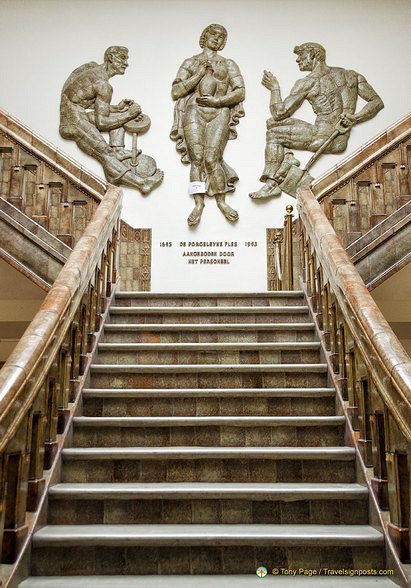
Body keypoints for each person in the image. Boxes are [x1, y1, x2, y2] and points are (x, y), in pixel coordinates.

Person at [250, 42, 384, 199]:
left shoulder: (308, 82)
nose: (297, 60)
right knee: (272, 124)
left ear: (312, 55)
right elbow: (376, 101)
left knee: (273, 134)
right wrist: (355, 118)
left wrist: (274, 88)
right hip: (339, 138)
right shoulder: (350, 75)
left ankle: (272, 183)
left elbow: (279, 112)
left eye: (300, 55)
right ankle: (287, 160)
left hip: (324, 136)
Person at [60, 46, 163, 193]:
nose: (126, 63)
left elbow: (80, 98)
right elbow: (102, 122)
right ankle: (142, 184)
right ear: (110, 57)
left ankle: (117, 154)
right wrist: (129, 115)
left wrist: (118, 109)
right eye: (122, 58)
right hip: (72, 122)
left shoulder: (92, 68)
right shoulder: (104, 85)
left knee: (118, 119)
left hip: (77, 113)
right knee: (105, 154)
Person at [170, 24, 245, 226]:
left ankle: (222, 202)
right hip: (194, 110)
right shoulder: (191, 62)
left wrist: (218, 101)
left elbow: (240, 92)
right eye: (214, 34)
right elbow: (176, 91)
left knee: (212, 159)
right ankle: (198, 203)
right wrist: (198, 74)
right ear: (204, 36)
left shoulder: (228, 64)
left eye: (222, 37)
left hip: (219, 111)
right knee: (197, 160)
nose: (217, 38)